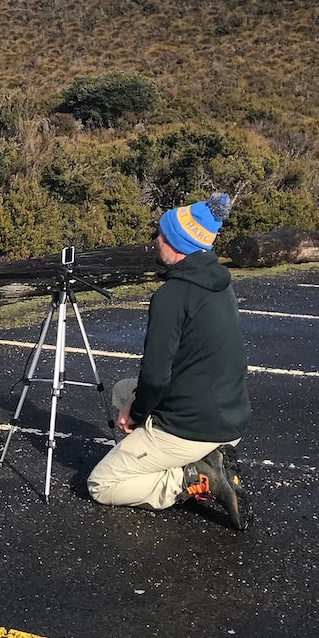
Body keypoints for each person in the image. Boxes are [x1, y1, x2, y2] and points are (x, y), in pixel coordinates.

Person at [87, 193, 252, 530]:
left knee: (101, 484)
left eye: (162, 235)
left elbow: (156, 374)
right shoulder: (220, 285)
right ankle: (178, 461)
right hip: (229, 420)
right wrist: (134, 403)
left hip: (192, 426)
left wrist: (135, 415)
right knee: (123, 390)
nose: (156, 241)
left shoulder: (171, 297)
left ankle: (190, 477)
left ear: (178, 243)